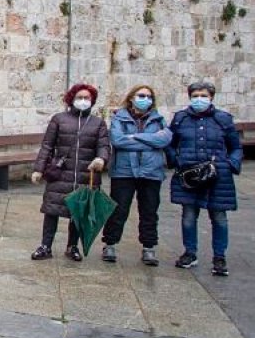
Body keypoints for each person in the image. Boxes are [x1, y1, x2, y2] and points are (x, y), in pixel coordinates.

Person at [168, 81, 241, 276]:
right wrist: (176, 160)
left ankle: (219, 256)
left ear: (211, 98)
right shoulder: (181, 119)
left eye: (203, 96)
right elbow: (170, 143)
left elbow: (235, 146)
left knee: (219, 217)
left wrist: (231, 164)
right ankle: (190, 252)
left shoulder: (223, 119)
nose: (199, 99)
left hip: (218, 176)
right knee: (188, 216)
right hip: (189, 175)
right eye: (195, 96)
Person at [30, 84, 110, 261]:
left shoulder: (98, 123)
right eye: (80, 97)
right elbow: (47, 146)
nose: (83, 101)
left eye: (87, 98)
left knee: (78, 212)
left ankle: (72, 246)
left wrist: (101, 159)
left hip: (85, 174)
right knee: (52, 210)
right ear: (72, 99)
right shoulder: (59, 119)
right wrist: (38, 169)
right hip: (60, 173)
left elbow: (104, 146)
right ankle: (45, 246)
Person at [100, 85, 172, 266]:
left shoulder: (158, 119)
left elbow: (164, 140)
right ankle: (110, 243)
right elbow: (118, 140)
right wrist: (150, 140)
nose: (145, 99)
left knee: (149, 210)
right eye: (141, 95)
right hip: (124, 171)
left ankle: (149, 247)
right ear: (131, 97)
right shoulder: (119, 118)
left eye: (149, 96)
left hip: (151, 171)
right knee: (118, 209)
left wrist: (134, 137)